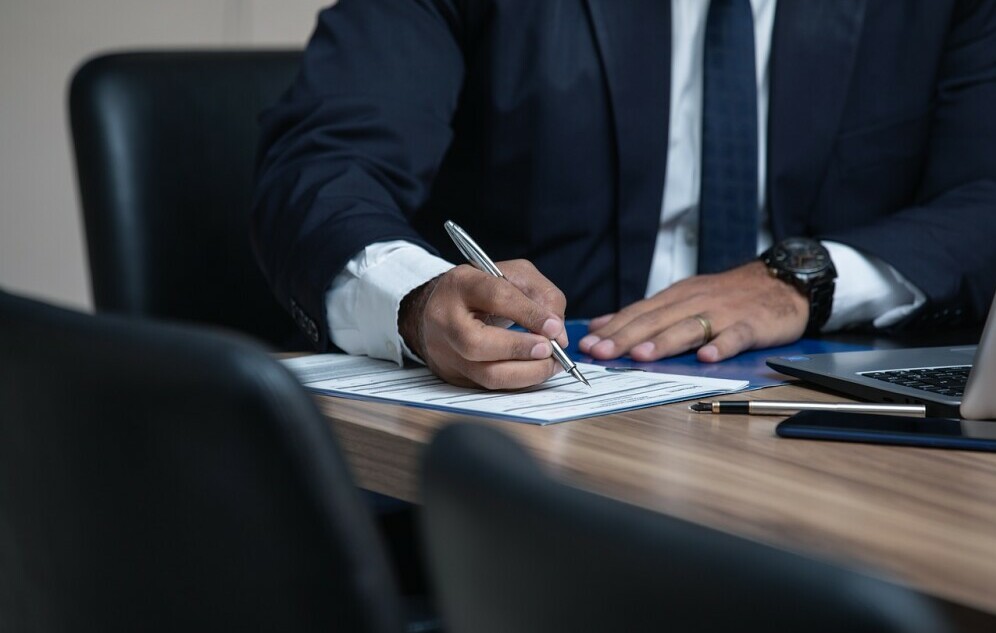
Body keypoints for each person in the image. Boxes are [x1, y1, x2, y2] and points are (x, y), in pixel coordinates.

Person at [252, 0, 996, 390]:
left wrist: (809, 277)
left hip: (823, 436)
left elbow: (984, 198)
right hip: (540, 435)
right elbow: (323, 165)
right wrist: (417, 302)